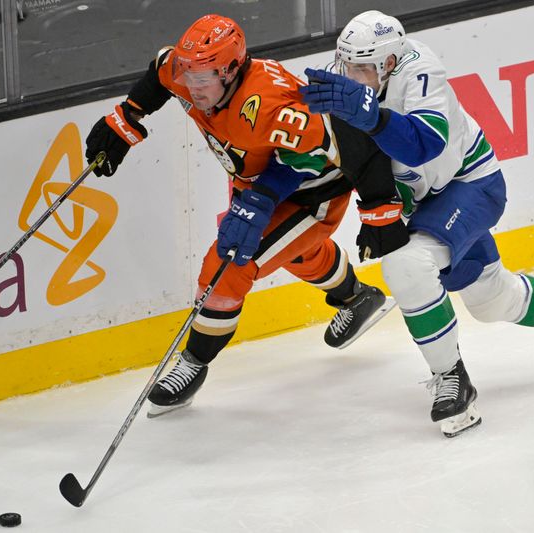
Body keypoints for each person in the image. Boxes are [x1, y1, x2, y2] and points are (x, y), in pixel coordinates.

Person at [300, 10, 534, 436]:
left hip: (470, 186)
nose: (350, 75)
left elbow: (423, 143)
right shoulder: (344, 82)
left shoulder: (422, 69)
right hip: (421, 202)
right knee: (490, 300)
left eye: (362, 68)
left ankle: (453, 379)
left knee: (407, 265)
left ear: (390, 63)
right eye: (346, 65)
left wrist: (371, 117)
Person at [84, 14, 409, 417]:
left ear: (232, 70)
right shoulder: (188, 72)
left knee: (229, 263)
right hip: (253, 184)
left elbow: (350, 145)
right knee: (293, 252)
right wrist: (126, 117)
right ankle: (358, 298)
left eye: (202, 79)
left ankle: (193, 363)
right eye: (188, 75)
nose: (191, 88)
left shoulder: (271, 107)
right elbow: (161, 69)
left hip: (313, 195)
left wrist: (376, 211)